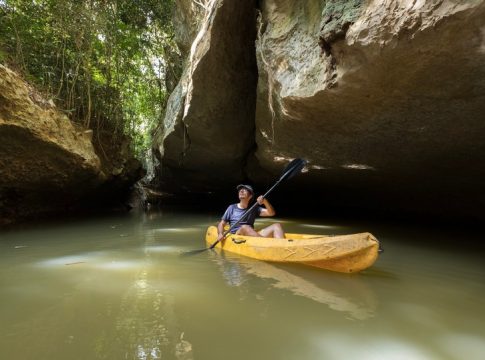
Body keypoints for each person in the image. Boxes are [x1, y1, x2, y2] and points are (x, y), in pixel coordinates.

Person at [216, 184, 285, 243]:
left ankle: (281, 246)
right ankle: (266, 243)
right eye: (240, 190)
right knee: (245, 227)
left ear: (250, 196)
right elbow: (221, 224)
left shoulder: (253, 208)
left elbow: (271, 213)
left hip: (251, 234)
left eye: (245, 190)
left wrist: (265, 202)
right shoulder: (232, 208)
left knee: (277, 225)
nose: (241, 191)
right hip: (237, 235)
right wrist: (220, 234)